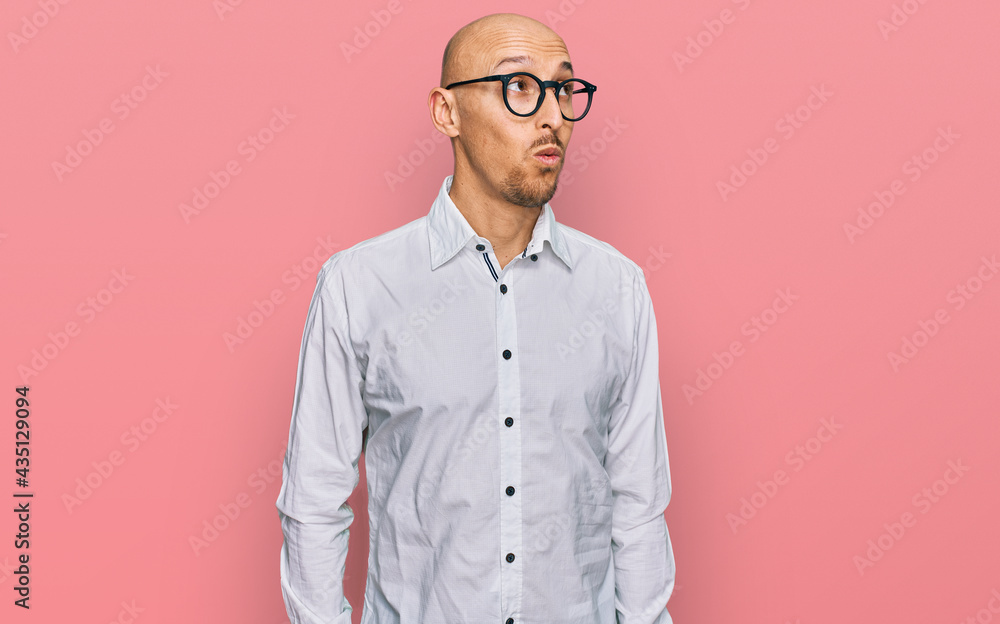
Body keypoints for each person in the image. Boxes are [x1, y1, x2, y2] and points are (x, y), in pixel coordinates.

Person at [276, 12, 675, 623]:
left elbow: (639, 505)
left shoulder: (616, 290)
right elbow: (313, 500)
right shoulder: (360, 286)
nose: (553, 116)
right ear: (447, 112)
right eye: (520, 87)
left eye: (564, 89)